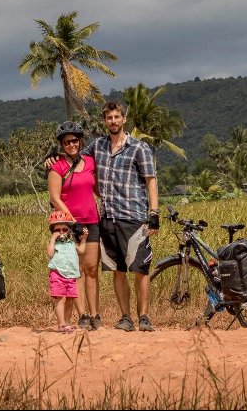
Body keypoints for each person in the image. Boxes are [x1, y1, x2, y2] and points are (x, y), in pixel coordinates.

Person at [86, 100, 159, 332]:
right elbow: (75, 157)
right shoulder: (97, 146)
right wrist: (53, 157)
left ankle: (144, 316)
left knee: (140, 269)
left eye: (117, 117)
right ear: (104, 121)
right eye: (109, 118)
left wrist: (154, 213)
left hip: (134, 217)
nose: (113, 121)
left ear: (124, 119)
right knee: (117, 270)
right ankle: (125, 317)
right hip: (108, 218)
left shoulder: (139, 148)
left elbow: (151, 181)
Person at [47, 121, 102, 330]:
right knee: (74, 270)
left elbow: (97, 189)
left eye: (75, 140)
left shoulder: (89, 163)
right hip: (69, 227)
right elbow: (55, 198)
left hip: (92, 221)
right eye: (67, 142)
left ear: (80, 141)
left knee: (92, 269)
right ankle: (82, 314)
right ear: (62, 144)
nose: (72, 145)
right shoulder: (57, 167)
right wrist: (72, 222)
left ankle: (95, 313)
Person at [46, 209, 87, 333]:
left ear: (69, 230)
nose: (61, 232)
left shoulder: (71, 242)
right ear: (52, 231)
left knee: (70, 299)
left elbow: (81, 251)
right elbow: (49, 253)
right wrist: (53, 239)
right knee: (61, 298)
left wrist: (84, 239)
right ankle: (61, 323)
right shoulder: (55, 243)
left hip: (71, 275)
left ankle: (68, 322)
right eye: (57, 230)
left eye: (64, 229)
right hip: (57, 274)